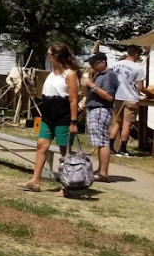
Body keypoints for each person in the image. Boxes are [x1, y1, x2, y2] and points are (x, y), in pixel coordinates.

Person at [20, 42, 80, 192]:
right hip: (48, 116)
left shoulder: (70, 74)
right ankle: (35, 180)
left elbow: (73, 100)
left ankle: (67, 185)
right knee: (41, 145)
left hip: (63, 117)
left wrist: (73, 122)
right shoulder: (51, 74)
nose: (48, 57)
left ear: (56, 57)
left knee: (64, 151)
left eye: (49, 54)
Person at [81, 52, 118, 182]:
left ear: (103, 62)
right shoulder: (98, 75)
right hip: (94, 109)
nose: (92, 66)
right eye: (91, 64)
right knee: (99, 142)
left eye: (94, 64)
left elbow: (109, 97)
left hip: (101, 110)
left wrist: (92, 85)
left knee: (102, 142)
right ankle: (100, 169)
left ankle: (103, 172)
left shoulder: (109, 76)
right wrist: (87, 87)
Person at [110, 45, 146, 157]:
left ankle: (110, 146)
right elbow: (140, 88)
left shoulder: (115, 65)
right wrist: (149, 93)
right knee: (127, 123)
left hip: (117, 97)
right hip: (130, 98)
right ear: (136, 55)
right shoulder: (139, 67)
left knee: (116, 122)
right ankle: (123, 149)